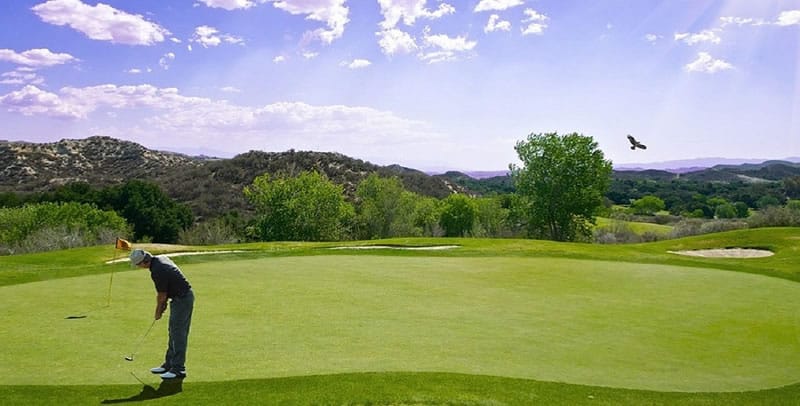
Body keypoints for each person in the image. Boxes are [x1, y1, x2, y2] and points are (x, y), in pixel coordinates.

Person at [130, 249, 194, 379]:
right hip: (178, 298)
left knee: (178, 334)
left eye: (138, 265)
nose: (138, 267)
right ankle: (169, 365)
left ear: (143, 262)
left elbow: (161, 296)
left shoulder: (157, 270)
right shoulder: (160, 259)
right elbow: (166, 291)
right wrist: (163, 306)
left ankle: (178, 369)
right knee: (173, 332)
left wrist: (158, 311)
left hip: (182, 299)